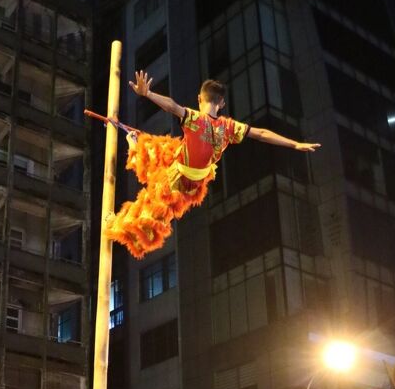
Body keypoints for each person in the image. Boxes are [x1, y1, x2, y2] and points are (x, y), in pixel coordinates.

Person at [104, 71, 320, 258]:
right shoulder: (228, 127)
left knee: (150, 211)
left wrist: (148, 94)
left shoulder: (196, 119)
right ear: (222, 103)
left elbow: (172, 106)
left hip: (178, 181)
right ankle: (134, 144)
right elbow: (262, 133)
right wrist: (295, 144)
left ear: (199, 98)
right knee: (163, 150)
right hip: (192, 179)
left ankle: (114, 223)